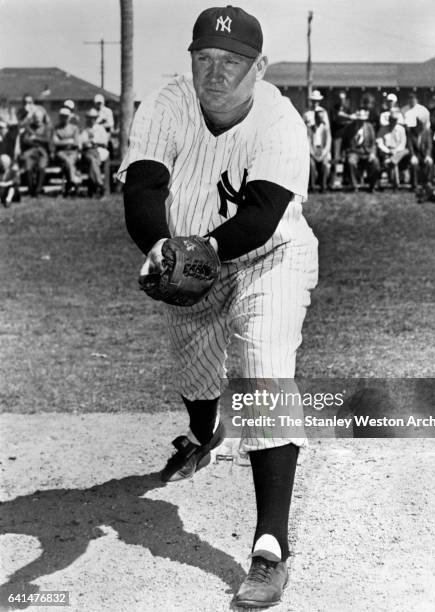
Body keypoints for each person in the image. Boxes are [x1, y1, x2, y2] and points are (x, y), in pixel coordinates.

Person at [118, 6, 318, 608]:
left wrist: (198, 253)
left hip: (269, 257)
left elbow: (258, 219)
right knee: (195, 371)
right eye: (205, 57)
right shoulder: (165, 104)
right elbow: (145, 186)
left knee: (262, 367)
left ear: (259, 66)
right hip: (189, 256)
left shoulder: (281, 121)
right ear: (190, 60)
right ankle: (203, 437)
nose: (216, 72)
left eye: (232, 61)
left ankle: (270, 547)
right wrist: (160, 247)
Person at [343, 109, 379, 192]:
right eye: (359, 120)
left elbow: (373, 143)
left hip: (367, 152)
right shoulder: (349, 127)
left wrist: (372, 153)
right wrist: (347, 152)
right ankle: (354, 186)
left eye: (362, 120)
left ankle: (372, 186)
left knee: (375, 163)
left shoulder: (369, 127)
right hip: (354, 151)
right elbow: (345, 142)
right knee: (351, 162)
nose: (361, 122)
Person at [79, 108, 110, 197]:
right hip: (87, 151)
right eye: (89, 117)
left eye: (93, 117)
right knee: (92, 160)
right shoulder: (84, 129)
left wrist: (95, 141)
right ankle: (100, 185)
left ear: (96, 118)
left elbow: (105, 142)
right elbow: (80, 143)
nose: (91, 119)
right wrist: (87, 142)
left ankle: (96, 188)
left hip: (99, 150)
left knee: (93, 161)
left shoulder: (100, 128)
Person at [19, 115, 52, 197]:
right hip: (31, 152)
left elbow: (47, 140)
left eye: (39, 118)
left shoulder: (46, 128)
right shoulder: (29, 128)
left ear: (42, 119)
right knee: (27, 165)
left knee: (42, 166)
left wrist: (36, 137)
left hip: (42, 152)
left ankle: (38, 190)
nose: (37, 120)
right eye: (36, 118)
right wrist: (36, 142)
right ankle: (30, 189)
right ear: (34, 119)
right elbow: (25, 140)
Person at [52, 107, 81, 195]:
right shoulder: (56, 128)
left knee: (69, 162)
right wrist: (69, 141)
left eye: (66, 116)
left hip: (73, 152)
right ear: (60, 117)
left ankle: (70, 185)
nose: (64, 118)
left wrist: (62, 141)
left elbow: (76, 143)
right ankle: (73, 180)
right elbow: (55, 142)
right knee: (68, 161)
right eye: (62, 116)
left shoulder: (74, 128)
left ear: (69, 117)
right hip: (61, 152)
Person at [376, 109, 408, 189]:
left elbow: (403, 143)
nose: (394, 121)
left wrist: (395, 151)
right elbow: (379, 142)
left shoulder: (401, 129)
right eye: (392, 120)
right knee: (394, 163)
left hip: (398, 151)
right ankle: (396, 184)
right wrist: (388, 151)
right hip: (386, 151)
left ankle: (391, 161)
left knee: (403, 153)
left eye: (395, 120)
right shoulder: (383, 129)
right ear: (389, 119)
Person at [328, 90, 353, 189]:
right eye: (340, 98)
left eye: (343, 98)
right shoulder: (333, 109)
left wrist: (348, 120)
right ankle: (332, 182)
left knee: (345, 158)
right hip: (337, 138)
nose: (342, 100)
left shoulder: (347, 109)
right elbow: (336, 119)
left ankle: (345, 181)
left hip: (346, 137)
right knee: (335, 159)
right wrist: (347, 120)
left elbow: (351, 121)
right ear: (337, 99)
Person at [406, 118, 433, 194]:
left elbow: (429, 146)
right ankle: (414, 185)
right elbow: (410, 145)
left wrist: (428, 156)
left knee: (429, 163)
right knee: (414, 164)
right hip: (415, 154)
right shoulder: (410, 132)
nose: (421, 127)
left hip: (424, 155)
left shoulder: (427, 132)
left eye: (423, 125)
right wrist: (412, 156)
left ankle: (427, 183)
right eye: (420, 125)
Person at [308, 109, 331, 192]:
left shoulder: (326, 129)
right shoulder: (310, 128)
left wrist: (323, 154)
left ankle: (323, 186)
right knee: (311, 164)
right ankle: (312, 187)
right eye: (318, 117)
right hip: (313, 150)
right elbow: (308, 142)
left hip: (322, 151)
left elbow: (328, 143)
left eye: (322, 117)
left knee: (325, 164)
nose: (320, 119)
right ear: (315, 117)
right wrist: (313, 154)